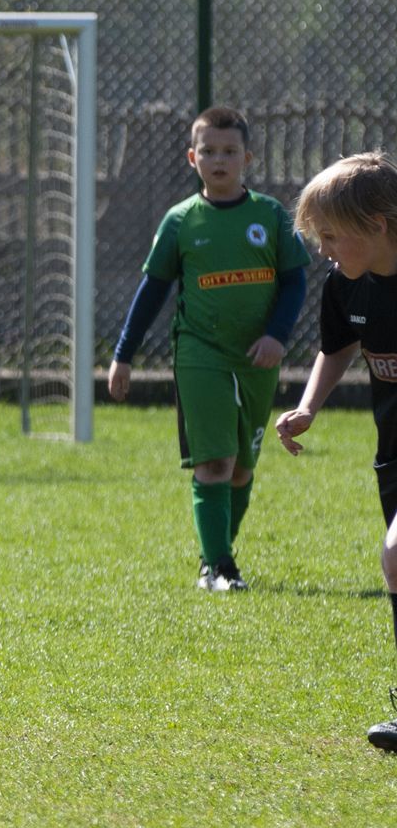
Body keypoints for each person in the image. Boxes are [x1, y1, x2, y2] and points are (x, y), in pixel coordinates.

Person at [107, 105, 309, 592]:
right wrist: (122, 355)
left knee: (241, 470)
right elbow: (152, 292)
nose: (220, 160)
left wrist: (277, 336)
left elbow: (296, 283)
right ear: (192, 157)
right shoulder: (180, 222)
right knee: (214, 463)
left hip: (257, 358)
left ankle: (216, 560)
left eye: (230, 152)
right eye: (210, 152)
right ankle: (219, 567)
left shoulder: (271, 216)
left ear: (248, 158)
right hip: (200, 354)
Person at [273, 152, 397, 752]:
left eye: (331, 236)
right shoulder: (346, 284)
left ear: (377, 224)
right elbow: (339, 345)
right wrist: (308, 406)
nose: (323, 248)